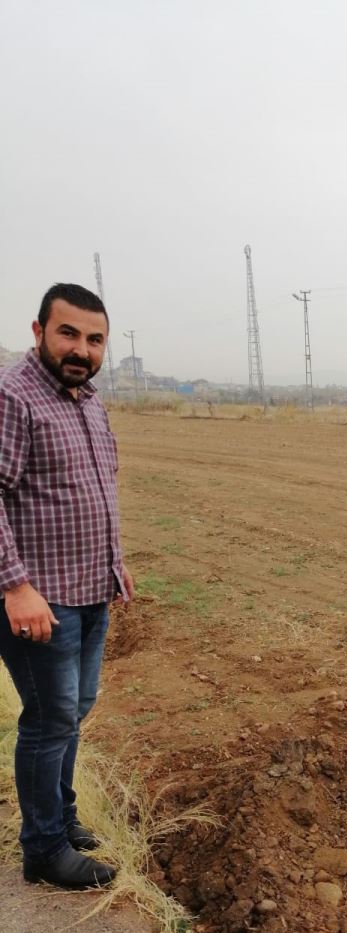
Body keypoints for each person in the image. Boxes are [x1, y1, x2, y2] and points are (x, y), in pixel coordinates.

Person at [0, 283, 134, 889]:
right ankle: (44, 849)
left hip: (88, 590)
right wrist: (15, 587)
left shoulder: (87, 400)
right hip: (40, 598)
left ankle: (62, 818)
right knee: (50, 719)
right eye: (68, 333)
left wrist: (116, 564)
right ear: (39, 332)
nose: (82, 348)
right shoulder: (14, 395)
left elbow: (94, 489)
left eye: (94, 339)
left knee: (73, 712)